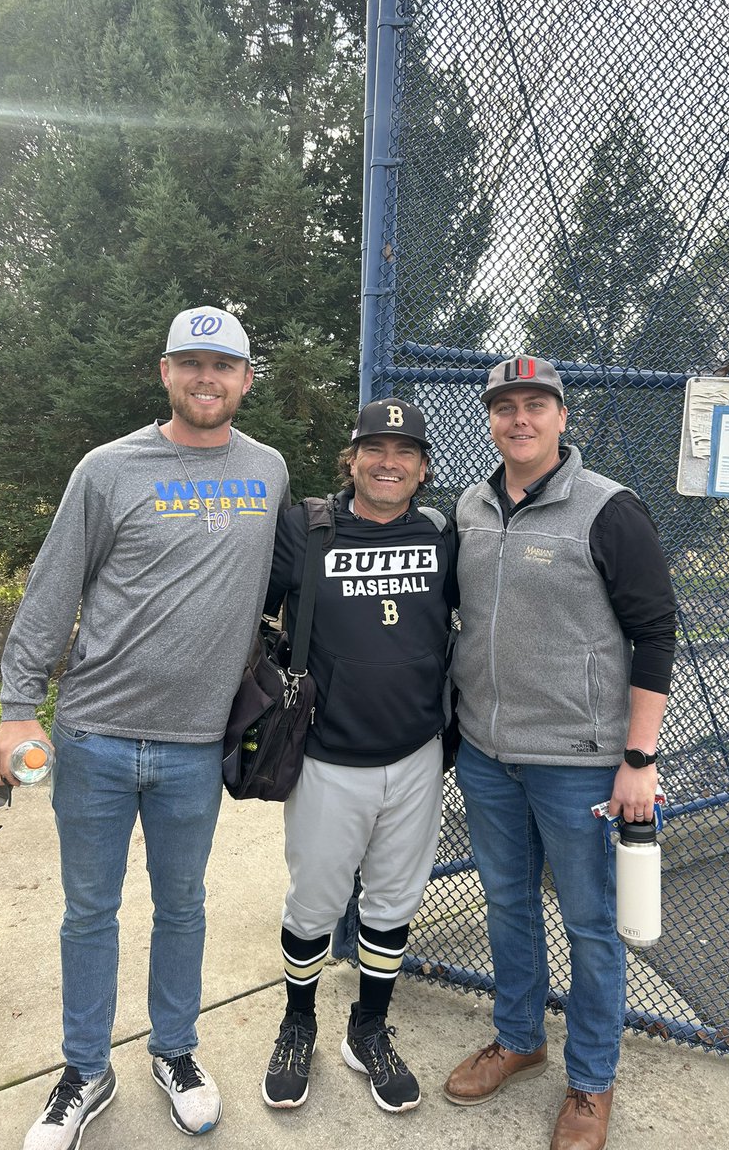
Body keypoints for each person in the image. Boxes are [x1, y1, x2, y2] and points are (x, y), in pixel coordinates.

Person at [0, 305, 289, 1148]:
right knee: (89, 912)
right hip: (95, 736)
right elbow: (52, 593)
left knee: (182, 906)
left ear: (244, 380)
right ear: (165, 371)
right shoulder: (108, 469)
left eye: (222, 366)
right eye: (191, 363)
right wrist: (16, 710)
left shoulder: (268, 472)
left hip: (197, 744)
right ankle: (85, 1069)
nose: (206, 378)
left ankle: (175, 1051)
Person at [443, 357, 676, 1150]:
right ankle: (519, 1038)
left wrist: (637, 757)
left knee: (590, 923)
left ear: (561, 417)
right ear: (491, 419)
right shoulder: (469, 508)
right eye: (505, 406)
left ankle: (590, 1082)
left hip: (579, 759)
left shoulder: (609, 510)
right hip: (486, 754)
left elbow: (655, 634)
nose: (520, 418)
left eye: (535, 404)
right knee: (507, 904)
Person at [260, 399, 457, 1114]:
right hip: (325, 757)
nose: (388, 460)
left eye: (404, 450)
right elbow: (243, 607)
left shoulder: (440, 534)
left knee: (393, 903)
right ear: (352, 459)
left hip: (416, 755)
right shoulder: (306, 529)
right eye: (374, 447)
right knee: (313, 903)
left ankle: (368, 1029)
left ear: (423, 466)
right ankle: (298, 1023)